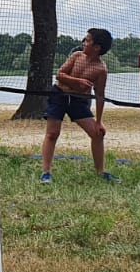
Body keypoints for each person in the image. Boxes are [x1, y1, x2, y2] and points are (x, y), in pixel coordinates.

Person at [41, 28, 115, 184]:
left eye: (87, 40)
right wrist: (77, 81)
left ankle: (100, 172)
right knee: (52, 133)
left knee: (97, 134)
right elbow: (60, 74)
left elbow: (99, 95)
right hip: (59, 95)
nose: (83, 43)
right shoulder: (77, 56)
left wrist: (99, 121)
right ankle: (46, 172)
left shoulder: (101, 69)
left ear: (97, 47)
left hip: (78, 101)